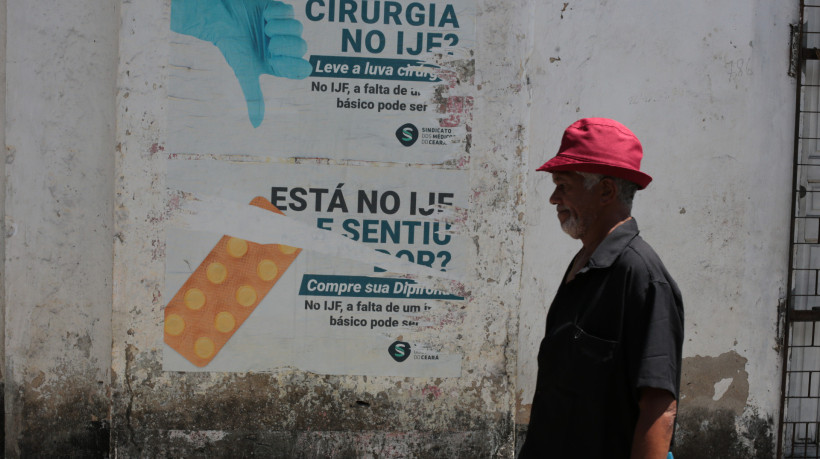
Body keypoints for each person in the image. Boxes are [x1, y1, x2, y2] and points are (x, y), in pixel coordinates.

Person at [519, 118, 684, 458]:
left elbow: (658, 406)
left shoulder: (641, 276)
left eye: (564, 185)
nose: (553, 198)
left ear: (606, 191)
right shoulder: (584, 263)